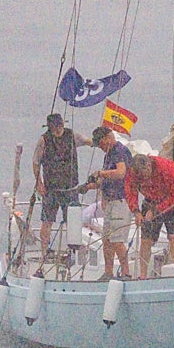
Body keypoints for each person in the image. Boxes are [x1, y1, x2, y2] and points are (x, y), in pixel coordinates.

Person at [33, 113, 91, 256]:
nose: (58, 129)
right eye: (54, 127)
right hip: (51, 189)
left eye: (60, 126)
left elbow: (88, 141)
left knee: (72, 223)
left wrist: (99, 142)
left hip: (70, 188)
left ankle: (73, 252)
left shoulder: (72, 136)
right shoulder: (44, 140)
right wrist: (39, 183)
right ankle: (44, 251)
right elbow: (36, 162)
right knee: (47, 221)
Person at [124, 154, 174, 278]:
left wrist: (156, 210)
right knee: (146, 238)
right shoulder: (133, 172)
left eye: (144, 176)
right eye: (140, 178)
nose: (143, 180)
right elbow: (130, 190)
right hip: (150, 201)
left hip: (171, 202)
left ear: (148, 166)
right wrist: (136, 211)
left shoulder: (168, 168)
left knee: (173, 235)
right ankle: (143, 275)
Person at [84, 126, 133, 280]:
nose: (101, 148)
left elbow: (120, 172)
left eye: (101, 145)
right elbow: (107, 179)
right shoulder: (109, 155)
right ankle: (108, 272)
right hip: (110, 201)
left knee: (117, 240)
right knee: (107, 239)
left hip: (120, 200)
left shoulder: (120, 151)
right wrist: (91, 185)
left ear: (107, 138)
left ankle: (126, 273)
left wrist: (101, 173)